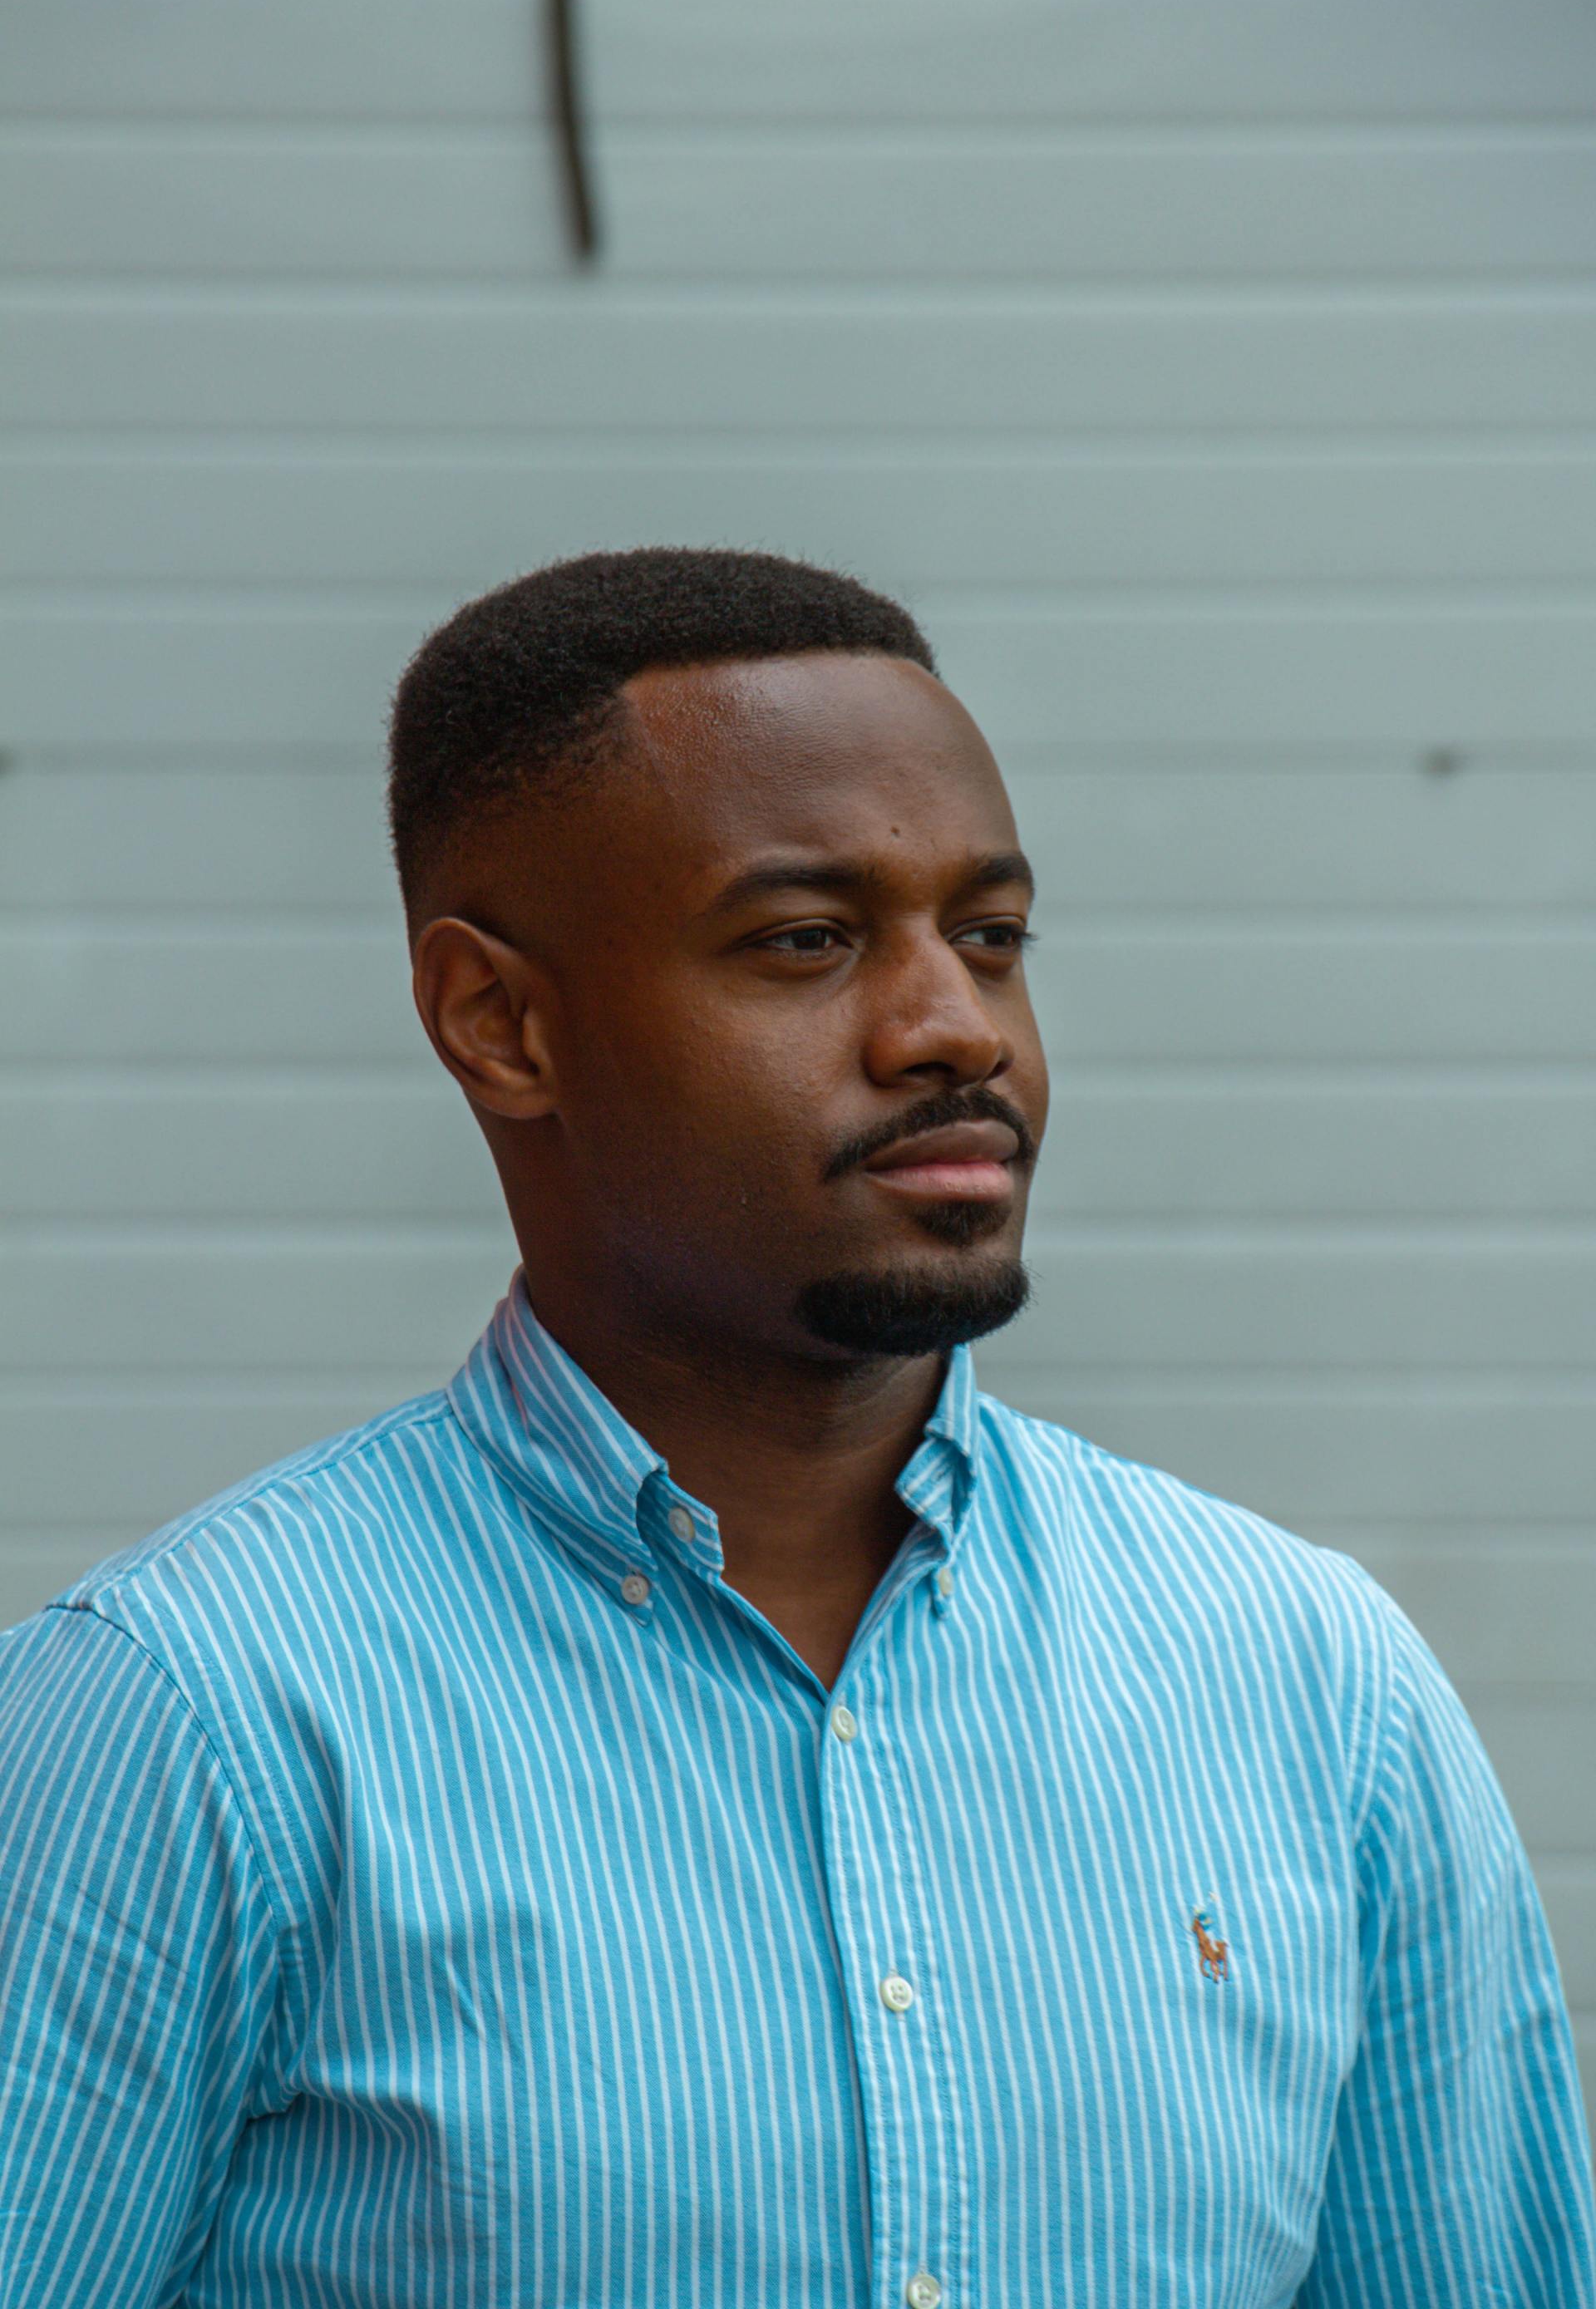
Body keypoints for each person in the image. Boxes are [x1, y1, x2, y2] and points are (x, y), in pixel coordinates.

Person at [0, 545, 1590, 2307]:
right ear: (498, 1023)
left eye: (989, 937)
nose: (950, 1029)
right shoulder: (184, 1723)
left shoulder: (1312, 1689)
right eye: (809, 942)